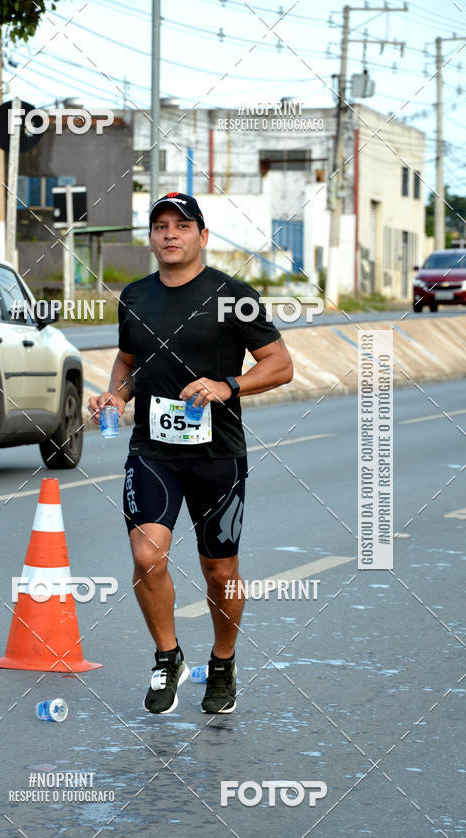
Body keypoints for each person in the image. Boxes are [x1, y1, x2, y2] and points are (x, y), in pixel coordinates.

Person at [89, 192, 293, 715]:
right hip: (153, 449)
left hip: (217, 453)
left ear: (202, 236)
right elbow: (129, 360)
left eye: (182, 226)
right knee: (145, 556)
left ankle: (222, 662)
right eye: (160, 226)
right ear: (151, 238)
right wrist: (117, 393)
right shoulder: (134, 296)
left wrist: (229, 385)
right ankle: (167, 656)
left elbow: (279, 364)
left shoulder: (233, 295)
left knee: (220, 572)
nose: (170, 234)